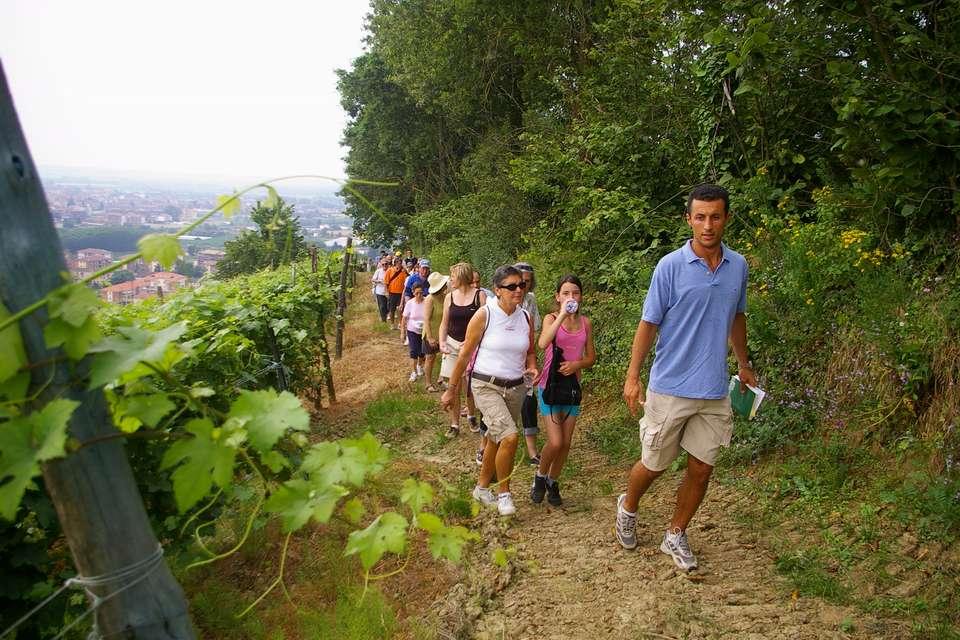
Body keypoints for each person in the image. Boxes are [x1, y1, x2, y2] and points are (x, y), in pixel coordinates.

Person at [614, 183, 757, 572]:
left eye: (715, 216)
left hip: (714, 389)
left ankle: (675, 533)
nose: (707, 225)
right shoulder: (670, 267)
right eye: (700, 217)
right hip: (670, 387)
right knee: (654, 464)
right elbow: (648, 325)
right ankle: (628, 506)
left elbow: (737, 317)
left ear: (726, 218)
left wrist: (743, 363)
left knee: (702, 467)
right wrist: (632, 376)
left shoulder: (738, 267)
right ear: (688, 220)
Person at [441, 265, 538, 517]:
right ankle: (504, 493)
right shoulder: (485, 315)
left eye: (521, 285)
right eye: (511, 286)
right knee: (510, 436)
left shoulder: (525, 317)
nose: (518, 290)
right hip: (485, 384)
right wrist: (451, 389)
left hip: (516, 387)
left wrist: (532, 366)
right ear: (497, 290)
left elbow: (530, 351)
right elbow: (464, 354)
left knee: (496, 436)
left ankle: (481, 488)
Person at [531, 275, 595, 507]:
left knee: (566, 443)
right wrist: (562, 316)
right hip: (549, 386)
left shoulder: (585, 323)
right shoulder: (551, 318)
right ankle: (539, 476)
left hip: (571, 390)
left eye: (575, 293)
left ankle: (552, 481)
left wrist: (577, 365)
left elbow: (591, 357)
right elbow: (542, 343)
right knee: (555, 442)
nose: (571, 297)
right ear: (558, 297)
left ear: (581, 297)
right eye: (566, 293)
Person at [439, 262, 486, 438]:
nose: (451, 279)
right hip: (452, 344)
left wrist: (473, 340)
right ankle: (454, 423)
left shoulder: (479, 296)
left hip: (473, 346)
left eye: (453, 276)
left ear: (462, 277)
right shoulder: (449, 297)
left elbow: (485, 324)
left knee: (472, 385)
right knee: (455, 384)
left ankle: (473, 414)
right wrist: (442, 341)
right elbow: (445, 322)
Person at [514, 262, 543, 466]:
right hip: (504, 359)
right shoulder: (501, 300)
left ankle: (532, 449)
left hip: (525, 356)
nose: (523, 286)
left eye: (527, 282)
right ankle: (486, 445)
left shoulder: (530, 300)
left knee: (529, 400)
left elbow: (536, 327)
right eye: (520, 281)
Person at [422, 270, 449, 392]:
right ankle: (428, 383)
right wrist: (429, 337)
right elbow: (426, 320)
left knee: (446, 357)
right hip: (431, 332)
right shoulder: (430, 299)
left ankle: (441, 378)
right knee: (430, 358)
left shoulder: (446, 296)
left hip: (443, 332)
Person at [401, 282, 428, 382]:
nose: (419, 295)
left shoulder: (427, 302)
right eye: (417, 293)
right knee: (413, 351)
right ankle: (413, 372)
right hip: (412, 330)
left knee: (422, 351)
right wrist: (403, 332)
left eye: (421, 293)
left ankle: (419, 366)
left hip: (424, 330)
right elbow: (404, 318)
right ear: (413, 293)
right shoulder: (410, 303)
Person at [384, 256, 407, 330]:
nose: (399, 264)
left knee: (400, 309)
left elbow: (406, 282)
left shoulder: (403, 272)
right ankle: (392, 324)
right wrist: (386, 292)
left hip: (401, 293)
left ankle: (400, 323)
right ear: (395, 263)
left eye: (400, 263)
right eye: (397, 263)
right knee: (392, 309)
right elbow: (386, 282)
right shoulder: (389, 270)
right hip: (392, 292)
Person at [371, 256, 390, 322]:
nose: (384, 265)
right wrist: (379, 281)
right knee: (382, 306)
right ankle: (383, 319)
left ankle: (387, 314)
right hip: (380, 291)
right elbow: (373, 279)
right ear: (381, 265)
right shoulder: (378, 271)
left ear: (388, 264)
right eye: (383, 264)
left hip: (389, 291)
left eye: (386, 264)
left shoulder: (390, 270)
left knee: (388, 305)